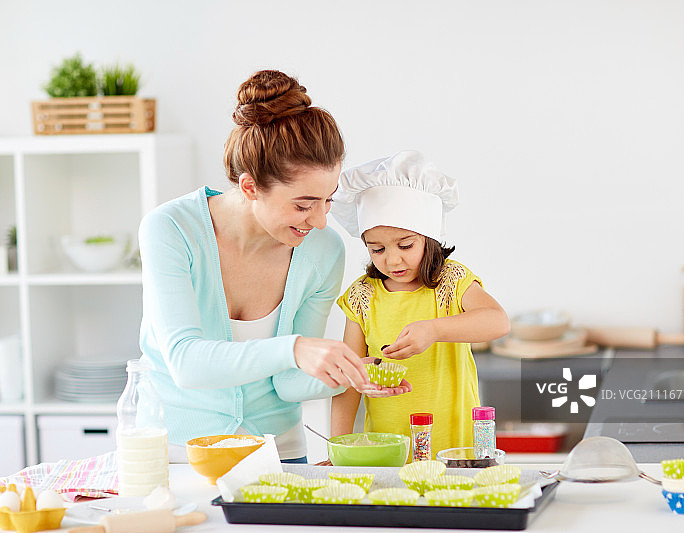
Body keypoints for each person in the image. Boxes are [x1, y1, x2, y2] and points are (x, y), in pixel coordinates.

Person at [137, 69, 375, 464]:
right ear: (250, 187)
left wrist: (354, 373)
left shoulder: (323, 250)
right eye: (304, 204)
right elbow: (186, 363)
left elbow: (289, 382)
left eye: (328, 200)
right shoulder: (171, 229)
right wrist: (294, 348)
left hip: (279, 454)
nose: (320, 221)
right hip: (178, 456)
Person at [329, 150, 510, 459]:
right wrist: (338, 450)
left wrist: (433, 330)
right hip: (388, 453)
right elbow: (347, 382)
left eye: (405, 245)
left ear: (429, 238)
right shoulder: (362, 296)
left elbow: (498, 322)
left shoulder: (450, 281)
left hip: (455, 449)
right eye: (377, 249)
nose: (392, 260)